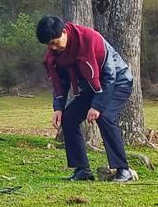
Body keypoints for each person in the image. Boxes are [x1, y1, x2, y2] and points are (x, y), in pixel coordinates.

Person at [36, 16, 137, 183]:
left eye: (55, 42)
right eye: (49, 45)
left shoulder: (90, 39)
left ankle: (123, 170)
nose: (53, 48)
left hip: (118, 82)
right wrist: (58, 108)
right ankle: (82, 170)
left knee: (104, 117)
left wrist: (97, 106)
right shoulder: (56, 54)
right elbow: (60, 82)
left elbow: (109, 76)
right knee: (68, 118)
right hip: (92, 87)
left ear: (64, 32)